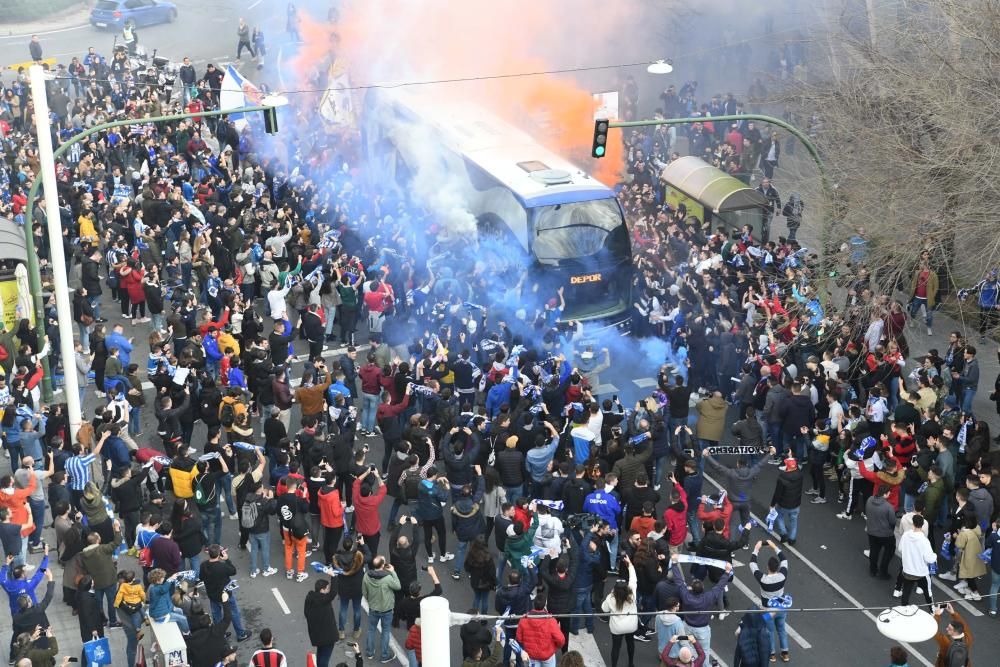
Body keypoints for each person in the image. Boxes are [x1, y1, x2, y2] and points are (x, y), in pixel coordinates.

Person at [199, 544, 252, 642]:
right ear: (219, 554)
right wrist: (227, 560)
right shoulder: (222, 567)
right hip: (225, 595)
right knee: (233, 612)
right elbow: (233, 571)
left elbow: (201, 577)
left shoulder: (203, 565)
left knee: (216, 615)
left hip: (212, 594)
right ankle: (240, 634)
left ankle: (220, 634)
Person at [749, 540, 788, 662]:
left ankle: (771, 654)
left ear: (768, 567)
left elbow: (752, 564)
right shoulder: (783, 576)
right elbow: (784, 560)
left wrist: (756, 549)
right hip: (781, 608)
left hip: (767, 610)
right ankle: (785, 653)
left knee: (769, 631)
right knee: (781, 629)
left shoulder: (763, 580)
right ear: (778, 568)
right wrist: (774, 546)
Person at [601, 555, 639, 667]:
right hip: (631, 625)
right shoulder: (632, 594)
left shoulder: (611, 598)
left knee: (616, 647)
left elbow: (604, 609)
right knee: (630, 644)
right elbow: (633, 579)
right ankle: (631, 663)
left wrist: (611, 594)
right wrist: (630, 565)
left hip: (617, 627)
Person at [362, 555, 401, 664]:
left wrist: (370, 601)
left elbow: (364, 592)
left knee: (371, 630)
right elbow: (398, 586)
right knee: (385, 631)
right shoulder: (388, 578)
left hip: (373, 608)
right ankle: (384, 655)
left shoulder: (367, 576)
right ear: (383, 565)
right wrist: (393, 572)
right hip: (386, 609)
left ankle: (369, 652)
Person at [516, 592, 564, 667]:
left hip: (531, 656)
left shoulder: (523, 620)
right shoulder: (551, 621)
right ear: (545, 605)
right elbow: (561, 640)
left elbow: (519, 638)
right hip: (547, 656)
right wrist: (555, 646)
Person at [898, 514, 935, 606]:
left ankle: (904, 609)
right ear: (922, 525)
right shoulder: (924, 540)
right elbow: (930, 559)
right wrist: (935, 556)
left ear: (913, 524)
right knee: (928, 593)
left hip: (907, 570)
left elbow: (900, 549)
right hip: (921, 572)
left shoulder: (906, 535)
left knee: (906, 593)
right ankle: (932, 610)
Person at [304, 576, 339, 667]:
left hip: (317, 636)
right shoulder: (323, 600)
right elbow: (333, 593)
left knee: (320, 655)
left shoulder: (309, 599)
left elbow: (306, 614)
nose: (329, 590)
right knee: (324, 659)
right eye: (327, 588)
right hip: (328, 637)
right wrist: (334, 576)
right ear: (322, 590)